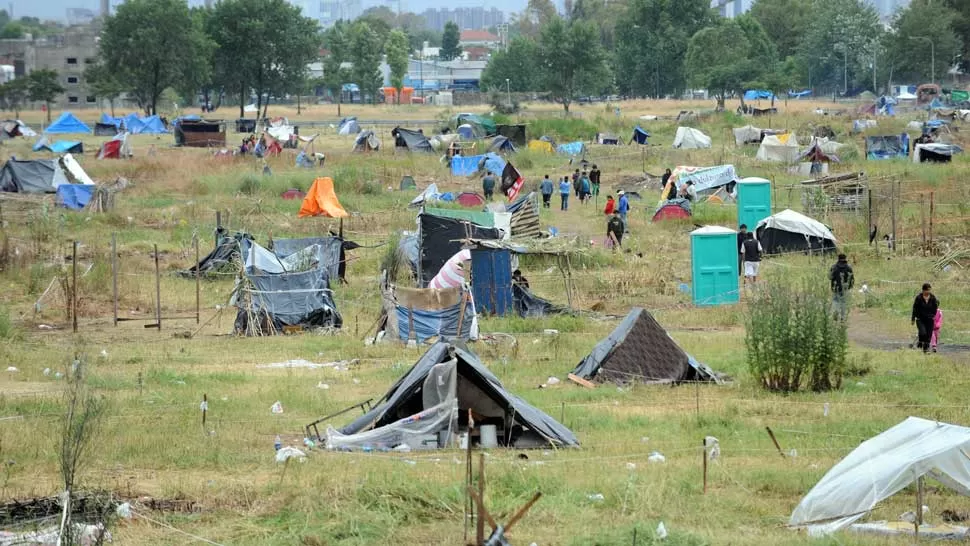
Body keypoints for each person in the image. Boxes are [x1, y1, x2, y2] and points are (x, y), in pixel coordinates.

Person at [911, 283, 939, 353]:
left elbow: (935, 307)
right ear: (923, 290)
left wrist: (933, 315)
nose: (928, 292)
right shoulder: (919, 298)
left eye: (929, 290)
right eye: (927, 290)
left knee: (929, 335)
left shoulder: (932, 297)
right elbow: (915, 308)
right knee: (923, 333)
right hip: (920, 319)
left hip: (929, 319)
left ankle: (925, 350)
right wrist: (913, 318)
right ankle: (920, 342)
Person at [829, 253, 854, 321]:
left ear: (838, 258)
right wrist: (850, 287)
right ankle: (842, 317)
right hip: (845, 288)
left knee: (835, 301)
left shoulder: (833, 267)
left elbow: (830, 277)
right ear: (845, 258)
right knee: (843, 302)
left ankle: (835, 314)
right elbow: (852, 279)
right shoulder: (849, 267)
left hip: (835, 288)